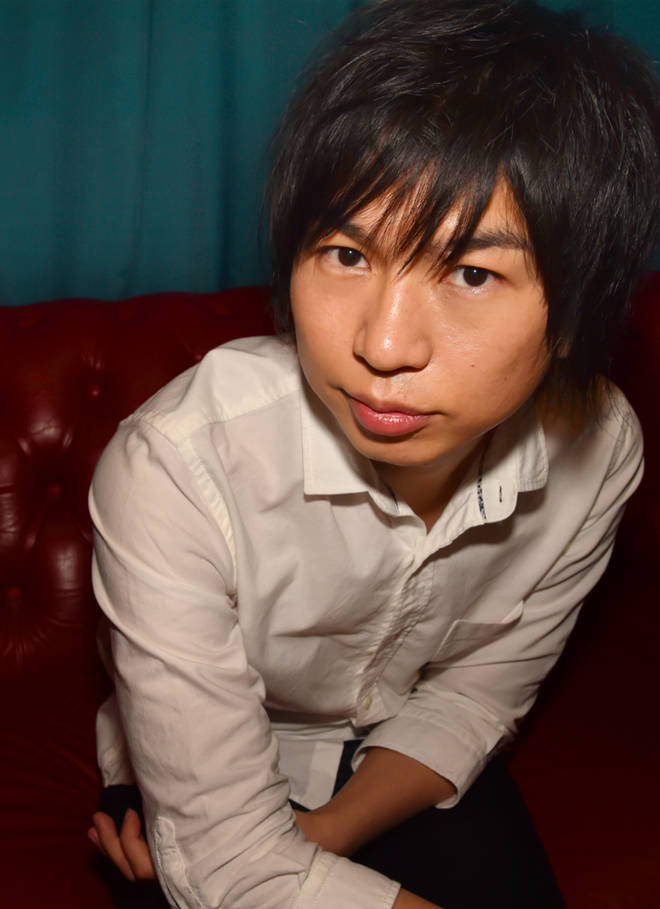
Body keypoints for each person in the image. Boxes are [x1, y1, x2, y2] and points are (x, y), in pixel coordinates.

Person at [87, 1, 660, 907]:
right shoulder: (177, 468)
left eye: (472, 272)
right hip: (199, 756)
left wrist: (320, 836)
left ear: (577, 315)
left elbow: (475, 695)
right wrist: (259, 857)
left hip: (400, 748)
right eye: (348, 253)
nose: (382, 345)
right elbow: (229, 864)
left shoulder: (600, 449)